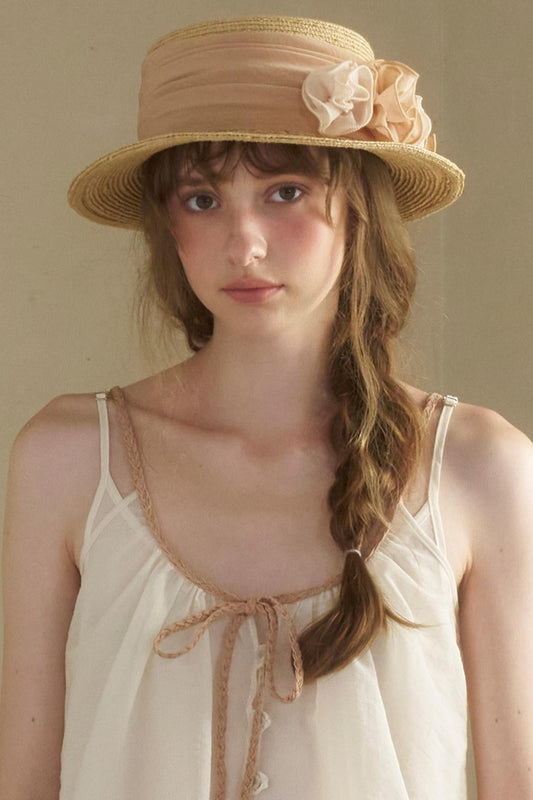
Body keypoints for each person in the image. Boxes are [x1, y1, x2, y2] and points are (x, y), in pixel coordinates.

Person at [1, 14, 532, 800]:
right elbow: (23, 781)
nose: (243, 243)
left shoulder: (477, 465)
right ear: (166, 224)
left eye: (286, 192)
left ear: (359, 208)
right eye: (201, 199)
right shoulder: (71, 457)